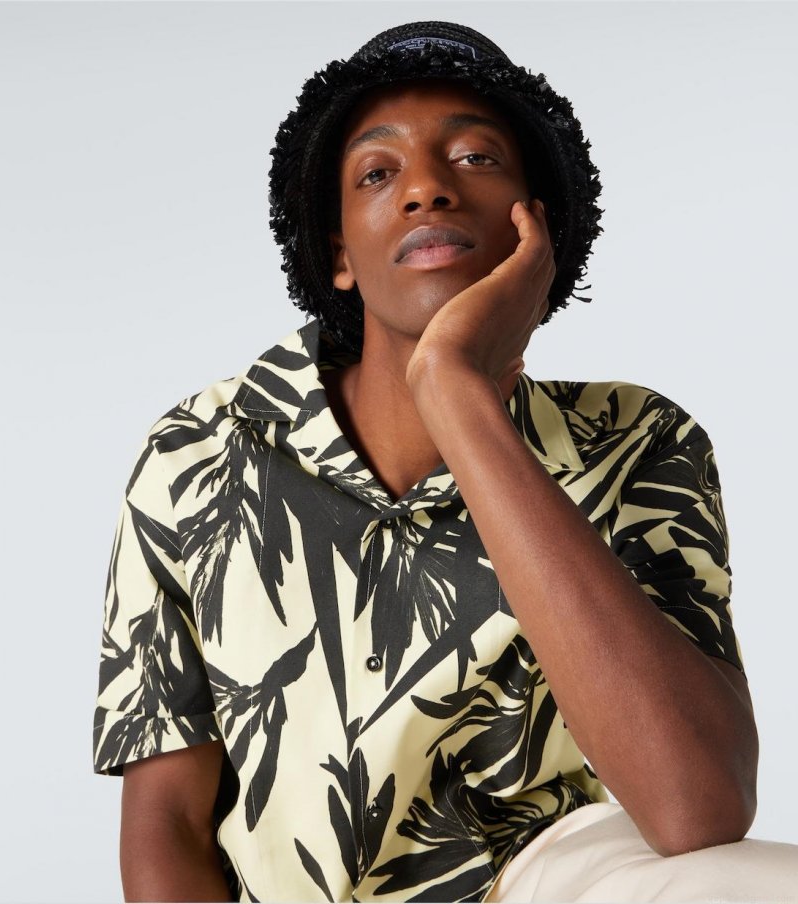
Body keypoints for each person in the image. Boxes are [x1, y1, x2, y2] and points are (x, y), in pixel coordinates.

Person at [92, 21, 798, 903]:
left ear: (535, 229)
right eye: (377, 173)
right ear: (339, 254)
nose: (427, 188)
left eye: (475, 157)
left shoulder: (634, 439)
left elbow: (698, 807)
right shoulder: (200, 452)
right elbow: (168, 824)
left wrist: (457, 392)